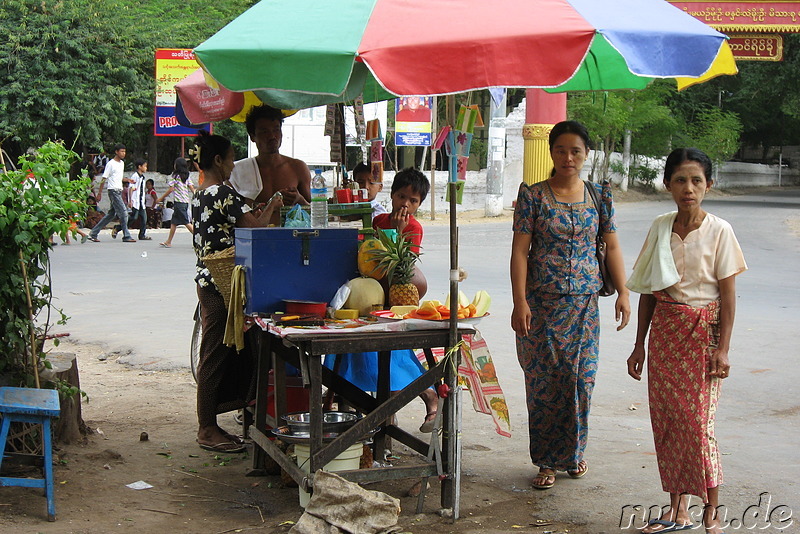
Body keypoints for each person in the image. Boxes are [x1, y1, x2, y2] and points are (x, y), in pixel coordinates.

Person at [626, 148, 747, 534]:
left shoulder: (720, 231)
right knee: (668, 423)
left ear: (709, 185)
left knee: (698, 425)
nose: (688, 188)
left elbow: (728, 297)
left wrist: (723, 349)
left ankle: (711, 512)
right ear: (668, 185)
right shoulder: (661, 226)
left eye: (696, 180)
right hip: (664, 334)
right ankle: (676, 510)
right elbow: (648, 289)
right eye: (680, 180)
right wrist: (639, 344)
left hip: (703, 337)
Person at [510, 120, 630, 490]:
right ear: (551, 153)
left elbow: (610, 246)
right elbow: (519, 253)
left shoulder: (599, 196)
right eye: (560, 149)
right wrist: (519, 302)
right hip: (540, 308)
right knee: (545, 384)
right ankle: (546, 461)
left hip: (583, 308)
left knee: (581, 380)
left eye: (575, 150)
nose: (568, 157)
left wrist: (624, 292)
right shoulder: (533, 197)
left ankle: (575, 454)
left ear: (586, 154)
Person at [191, 130, 283, 453]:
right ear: (218, 160)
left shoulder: (200, 193)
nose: (233, 164)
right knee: (214, 354)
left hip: (207, 281)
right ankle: (206, 428)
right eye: (231, 159)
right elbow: (254, 229)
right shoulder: (222, 194)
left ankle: (216, 423)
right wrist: (273, 205)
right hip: (220, 284)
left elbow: (238, 222)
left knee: (224, 351)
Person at [327, 167, 438, 433]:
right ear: (392, 195)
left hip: (397, 298)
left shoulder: (414, 228)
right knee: (363, 354)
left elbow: (403, 265)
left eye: (413, 201)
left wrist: (398, 232)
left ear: (420, 204)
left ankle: (429, 398)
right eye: (402, 197)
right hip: (374, 296)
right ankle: (373, 408)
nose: (406, 204)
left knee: (396, 356)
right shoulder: (377, 222)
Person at [229, 104, 311, 225]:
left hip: (290, 238)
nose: (272, 136)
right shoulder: (239, 171)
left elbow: (315, 212)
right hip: (254, 239)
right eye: (264, 131)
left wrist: (299, 199)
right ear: (252, 137)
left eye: (276, 129)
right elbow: (231, 214)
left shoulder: (298, 168)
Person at [88, 144, 136, 243]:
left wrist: (127, 180)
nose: (123, 153)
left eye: (124, 151)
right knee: (124, 213)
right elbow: (104, 178)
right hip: (113, 190)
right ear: (116, 152)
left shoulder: (121, 163)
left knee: (110, 215)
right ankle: (126, 235)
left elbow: (119, 177)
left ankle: (93, 233)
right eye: (121, 151)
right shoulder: (111, 164)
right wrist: (100, 193)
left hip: (119, 189)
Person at [157, 157, 195, 248]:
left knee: (186, 222)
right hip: (185, 201)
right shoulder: (186, 176)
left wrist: (161, 198)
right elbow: (192, 188)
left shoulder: (175, 176)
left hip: (179, 202)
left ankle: (201, 237)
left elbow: (171, 189)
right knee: (174, 222)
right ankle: (168, 241)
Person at [114, 158, 150, 240]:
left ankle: (142, 235)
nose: (146, 168)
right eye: (145, 166)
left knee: (144, 218)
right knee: (134, 217)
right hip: (135, 201)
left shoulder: (142, 178)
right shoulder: (135, 176)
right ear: (139, 167)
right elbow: (131, 188)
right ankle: (119, 227)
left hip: (141, 201)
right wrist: (130, 201)